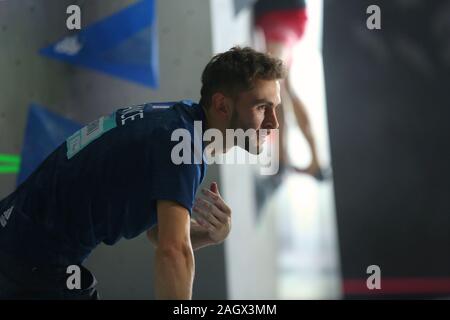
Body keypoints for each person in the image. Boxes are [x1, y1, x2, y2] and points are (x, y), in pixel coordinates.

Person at [0, 46, 285, 300]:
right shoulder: (182, 144)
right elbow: (173, 251)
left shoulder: (181, 119)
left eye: (276, 109)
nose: (274, 122)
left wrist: (211, 235)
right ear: (222, 105)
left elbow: (159, 234)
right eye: (262, 107)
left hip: (18, 239)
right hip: (32, 260)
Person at [253, 0, 325, 180]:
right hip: (283, 13)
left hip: (279, 12)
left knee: (275, 81)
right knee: (283, 85)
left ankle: (286, 159)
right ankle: (302, 160)